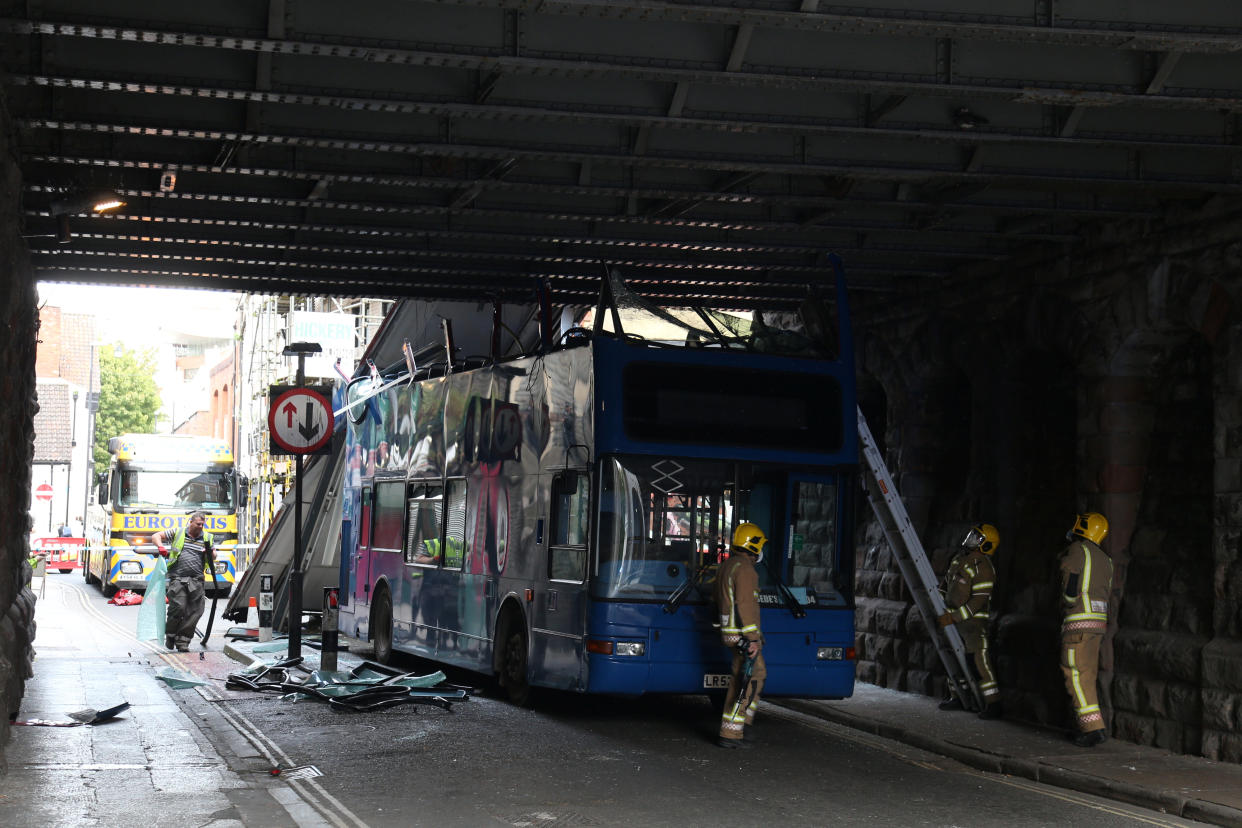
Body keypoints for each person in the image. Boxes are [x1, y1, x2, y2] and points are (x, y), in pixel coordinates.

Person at [936, 523, 1002, 718]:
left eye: (977, 537)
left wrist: (954, 617)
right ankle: (957, 696)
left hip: (973, 624)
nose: (970, 539)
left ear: (987, 545)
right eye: (972, 535)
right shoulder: (959, 560)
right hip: (953, 619)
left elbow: (977, 603)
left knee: (978, 660)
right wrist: (937, 602)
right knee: (953, 659)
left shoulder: (983, 568)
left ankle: (993, 703)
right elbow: (944, 586)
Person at [1058, 511, 1112, 748]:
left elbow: (1070, 581)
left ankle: (1092, 730)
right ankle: (1092, 725)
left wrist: (1067, 602)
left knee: (1074, 674)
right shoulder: (1105, 559)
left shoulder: (1078, 550)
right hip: (1097, 625)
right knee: (1087, 675)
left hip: (1077, 622)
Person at [715, 522, 768, 748]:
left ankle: (737, 728)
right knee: (751, 678)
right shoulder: (746, 570)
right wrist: (753, 638)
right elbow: (746, 605)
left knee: (743, 677)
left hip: (731, 634)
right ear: (753, 546)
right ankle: (734, 732)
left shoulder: (728, 565)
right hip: (743, 637)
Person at [150, 511, 215, 652]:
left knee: (196, 611)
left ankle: (183, 641)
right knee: (178, 607)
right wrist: (160, 547)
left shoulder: (207, 537)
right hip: (178, 578)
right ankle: (171, 635)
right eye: (198, 524)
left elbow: (214, 555)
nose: (201, 527)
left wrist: (209, 552)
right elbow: (155, 536)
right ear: (191, 522)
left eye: (203, 524)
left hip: (196, 579)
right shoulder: (178, 532)